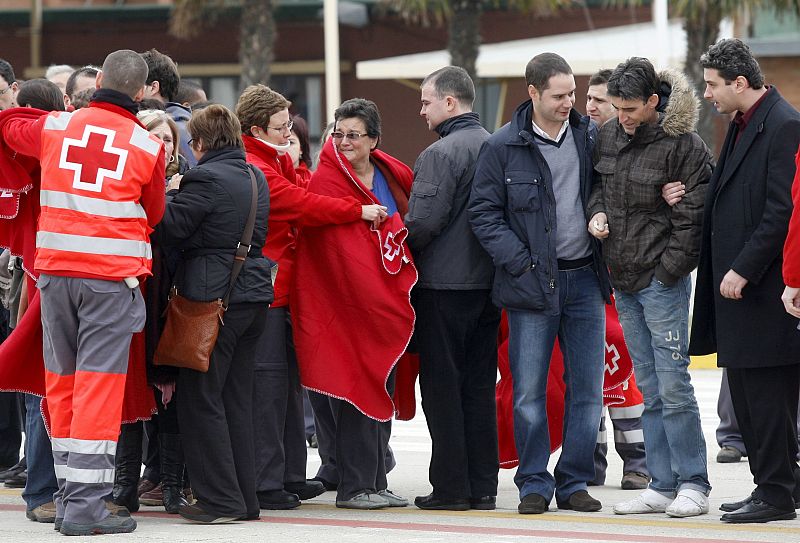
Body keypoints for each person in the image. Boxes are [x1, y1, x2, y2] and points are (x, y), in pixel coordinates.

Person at [0, 49, 166, 536]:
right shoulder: (146, 145)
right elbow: (155, 212)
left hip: (54, 278)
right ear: (142, 92)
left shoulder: (56, 126)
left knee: (63, 385)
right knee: (98, 389)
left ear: (97, 84)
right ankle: (86, 508)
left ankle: (68, 499)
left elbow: (9, 124)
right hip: (110, 282)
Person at [469, 52, 610, 515]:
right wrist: (523, 264)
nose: (570, 103)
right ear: (532, 92)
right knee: (528, 392)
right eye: (559, 95)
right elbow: (483, 214)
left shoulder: (590, 136)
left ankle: (574, 482)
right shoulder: (502, 146)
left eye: (573, 93)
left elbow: (608, 189)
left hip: (585, 280)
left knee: (587, 390)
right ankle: (533, 482)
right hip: (531, 285)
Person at [235, 85, 387, 511]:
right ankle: (267, 483)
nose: (289, 134)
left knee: (287, 390)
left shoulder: (274, 160)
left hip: (283, 291)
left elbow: (303, 189)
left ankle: (287, 475)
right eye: (282, 127)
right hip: (266, 294)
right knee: (269, 389)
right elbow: (299, 203)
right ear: (256, 129)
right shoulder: (255, 166)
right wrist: (356, 210)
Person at [587, 57, 713, 518]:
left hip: (661, 283)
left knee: (674, 384)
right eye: (616, 107)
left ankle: (693, 483)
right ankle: (661, 484)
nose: (621, 117)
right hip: (622, 279)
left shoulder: (684, 144)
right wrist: (596, 213)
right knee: (649, 386)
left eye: (630, 109)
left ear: (654, 102)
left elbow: (693, 219)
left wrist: (666, 274)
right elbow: (597, 187)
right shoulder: (608, 136)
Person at [690, 38, 800, 524]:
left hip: (763, 291)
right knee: (749, 398)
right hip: (739, 295)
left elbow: (782, 210)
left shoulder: (784, 124)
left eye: (712, 84)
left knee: (767, 399)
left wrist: (743, 268)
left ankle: (776, 494)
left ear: (740, 82)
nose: (707, 93)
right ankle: (774, 485)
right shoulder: (742, 122)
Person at [293, 98, 415, 510]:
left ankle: (376, 482)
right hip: (344, 304)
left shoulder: (391, 175)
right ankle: (354, 486)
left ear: (374, 140)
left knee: (384, 389)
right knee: (354, 392)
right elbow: (321, 238)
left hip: (388, 304)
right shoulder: (326, 181)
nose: (344, 142)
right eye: (339, 134)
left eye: (354, 135)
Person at [154, 104, 273, 524]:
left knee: (201, 399)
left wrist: (170, 192)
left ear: (201, 142)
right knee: (237, 400)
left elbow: (170, 227)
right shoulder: (255, 176)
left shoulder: (203, 177)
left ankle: (220, 501)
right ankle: (244, 500)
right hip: (253, 296)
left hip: (213, 301)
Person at [404, 66, 500, 511]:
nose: (421, 111)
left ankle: (450, 487)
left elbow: (423, 222)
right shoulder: (497, 145)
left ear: (449, 102)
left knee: (442, 389)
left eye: (426, 102)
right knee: (479, 387)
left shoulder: (440, 154)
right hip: (489, 286)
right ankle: (483, 485)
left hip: (443, 286)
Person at [584, 68, 650, 491]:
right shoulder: (579, 143)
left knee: (627, 376)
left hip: (630, 274)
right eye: (587, 99)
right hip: (586, 273)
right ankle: (590, 461)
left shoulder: (647, 143)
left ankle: (638, 462)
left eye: (599, 100)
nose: (589, 107)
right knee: (586, 376)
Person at [8, 78, 64, 525]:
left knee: (46, 384)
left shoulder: (28, 146)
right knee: (47, 385)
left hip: (43, 272)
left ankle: (47, 489)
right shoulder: (52, 143)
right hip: (56, 275)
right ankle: (44, 490)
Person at [288, 114, 312, 187]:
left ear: (301, 148)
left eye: (290, 142)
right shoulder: (268, 176)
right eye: (280, 143)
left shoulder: (313, 179)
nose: (285, 147)